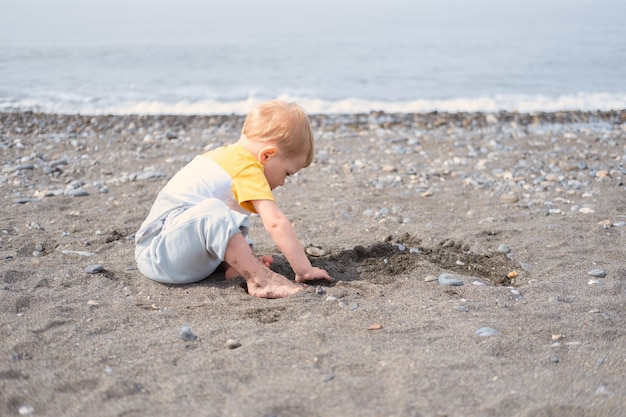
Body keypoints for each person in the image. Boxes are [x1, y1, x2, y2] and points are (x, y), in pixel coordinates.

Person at [134, 100, 332, 298]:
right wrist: (305, 269)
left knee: (234, 221)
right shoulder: (246, 167)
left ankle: (232, 265)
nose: (283, 183)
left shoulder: (230, 158)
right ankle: (260, 280)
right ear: (267, 155)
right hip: (157, 254)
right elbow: (275, 223)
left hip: (179, 253)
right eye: (287, 173)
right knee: (216, 214)